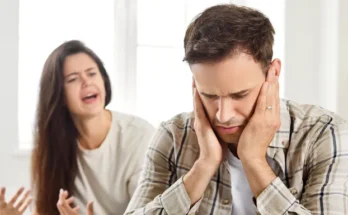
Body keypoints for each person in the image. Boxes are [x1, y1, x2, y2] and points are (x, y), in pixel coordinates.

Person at [125, 4, 348, 215]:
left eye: (239, 95)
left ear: (273, 74)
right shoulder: (173, 135)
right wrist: (203, 166)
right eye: (209, 95)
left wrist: (254, 161)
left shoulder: (324, 134)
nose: (224, 115)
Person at [25, 40, 155, 215]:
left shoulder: (140, 136)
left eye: (92, 74)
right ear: (59, 95)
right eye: (73, 79)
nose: (86, 82)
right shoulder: (51, 145)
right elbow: (43, 211)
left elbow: (152, 211)